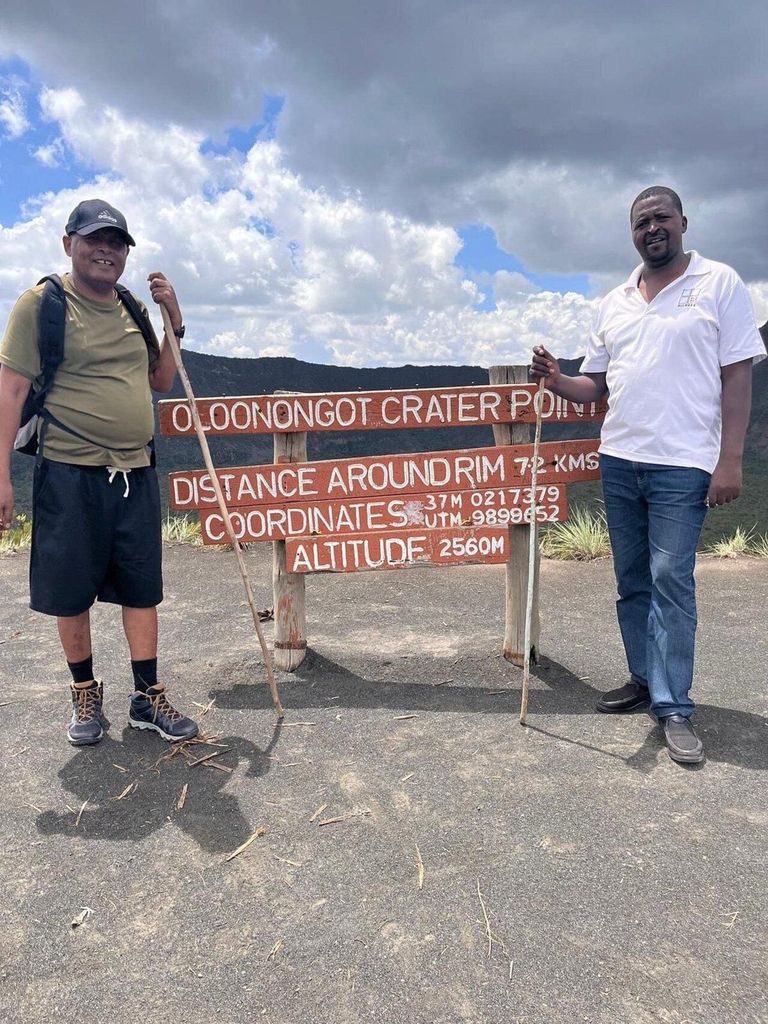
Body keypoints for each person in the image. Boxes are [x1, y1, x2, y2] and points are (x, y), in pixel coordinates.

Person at [531, 186, 765, 764]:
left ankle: (676, 705)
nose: (651, 227)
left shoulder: (719, 283)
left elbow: (737, 378)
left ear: (683, 222)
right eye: (641, 222)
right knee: (632, 578)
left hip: (683, 463)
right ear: (631, 233)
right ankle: (644, 680)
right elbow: (598, 387)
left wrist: (729, 459)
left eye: (661, 217)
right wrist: (559, 380)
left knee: (670, 580)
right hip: (621, 459)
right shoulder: (614, 302)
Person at [0, 199, 198, 746]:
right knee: (71, 592)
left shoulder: (132, 307)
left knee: (142, 589)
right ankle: (85, 691)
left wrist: (173, 322)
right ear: (69, 244)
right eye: (95, 239)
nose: (106, 250)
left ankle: (146, 695)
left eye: (117, 243)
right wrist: (0, 477)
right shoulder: (41, 305)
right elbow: (11, 391)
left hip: (135, 470)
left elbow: (161, 379)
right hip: (69, 472)